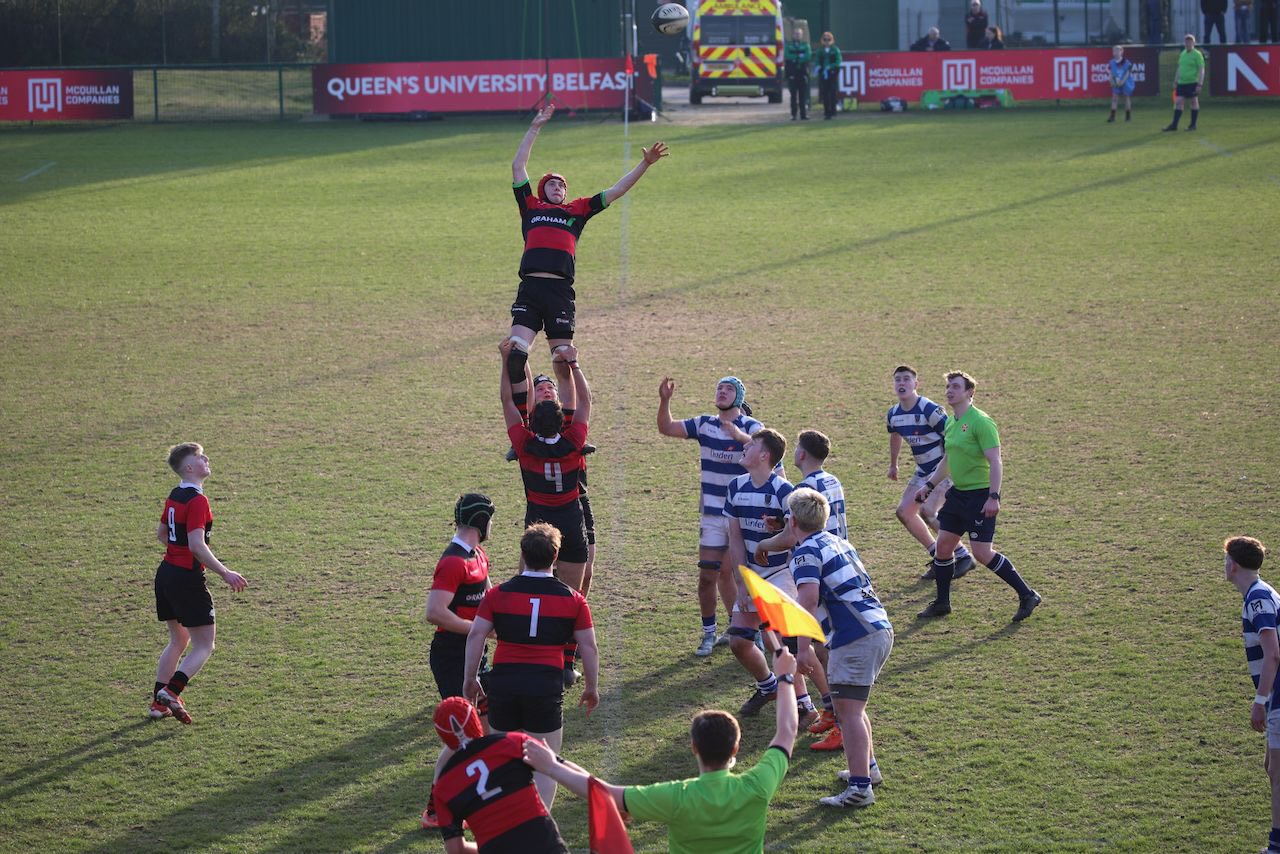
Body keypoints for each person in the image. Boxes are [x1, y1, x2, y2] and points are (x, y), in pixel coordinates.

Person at [521, 648, 800, 854]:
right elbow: (787, 729)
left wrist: (552, 765)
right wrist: (785, 676)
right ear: (735, 748)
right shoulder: (756, 787)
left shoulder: (677, 797)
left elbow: (604, 793)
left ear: (694, 748)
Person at [505, 102, 667, 420]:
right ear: (542, 189)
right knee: (515, 355)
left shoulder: (577, 210)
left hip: (560, 293)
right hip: (531, 289)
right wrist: (535, 127)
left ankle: (570, 427)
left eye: (562, 185)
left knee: (563, 360)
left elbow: (617, 190)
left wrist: (645, 164)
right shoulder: (531, 207)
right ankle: (524, 424)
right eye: (552, 183)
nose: (558, 187)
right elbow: (517, 166)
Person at [463, 523, 599, 810]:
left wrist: (470, 678)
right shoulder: (574, 600)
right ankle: (540, 822)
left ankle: (508, 819)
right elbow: (589, 646)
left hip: (505, 685)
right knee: (546, 763)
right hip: (545, 687)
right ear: (556, 556)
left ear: (523, 554)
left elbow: (476, 635)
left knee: (504, 759)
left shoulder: (497, 595)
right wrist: (591, 686)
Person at [787, 488, 892, 808]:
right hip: (877, 628)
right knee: (853, 709)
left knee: (849, 714)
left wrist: (802, 648)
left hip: (854, 636)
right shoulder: (837, 541)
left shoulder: (805, 553)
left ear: (793, 521)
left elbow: (807, 599)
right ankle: (867, 770)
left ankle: (860, 789)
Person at [657, 375, 772, 658]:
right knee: (708, 576)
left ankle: (750, 631)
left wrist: (739, 437)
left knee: (742, 575)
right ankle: (709, 633)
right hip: (711, 515)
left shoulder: (752, 427)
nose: (722, 392)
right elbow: (666, 427)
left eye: (729, 389)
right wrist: (664, 401)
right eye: (719, 388)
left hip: (742, 515)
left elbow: (766, 451)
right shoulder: (704, 424)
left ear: (739, 397)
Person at [914, 371, 1041, 622]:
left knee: (982, 553)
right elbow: (948, 459)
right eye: (948, 386)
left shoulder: (981, 422)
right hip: (958, 495)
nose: (949, 390)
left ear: (969, 392)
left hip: (980, 497)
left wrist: (994, 496)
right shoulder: (951, 423)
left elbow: (996, 461)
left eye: (955, 386)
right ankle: (942, 603)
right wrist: (929, 485)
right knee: (943, 547)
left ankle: (1027, 595)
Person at [499, 339, 591, 685]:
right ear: (562, 421)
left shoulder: (523, 445)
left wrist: (506, 362)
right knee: (571, 599)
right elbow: (586, 402)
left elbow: (508, 401)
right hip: (571, 524)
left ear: (531, 422)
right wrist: (575, 364)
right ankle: (565, 665)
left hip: (537, 528)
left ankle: (521, 655)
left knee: (526, 593)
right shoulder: (575, 441)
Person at [751, 429, 847, 749]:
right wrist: (783, 523)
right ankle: (832, 712)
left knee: (819, 649)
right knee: (820, 646)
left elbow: (794, 537)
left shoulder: (802, 490)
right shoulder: (832, 481)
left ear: (801, 454)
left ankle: (839, 718)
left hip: (818, 572)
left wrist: (765, 543)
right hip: (837, 563)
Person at [723, 429, 818, 725]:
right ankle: (768, 687)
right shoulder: (736, 487)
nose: (745, 447)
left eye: (751, 444)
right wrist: (741, 582)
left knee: (776, 641)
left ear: (764, 455)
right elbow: (735, 538)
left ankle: (805, 706)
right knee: (739, 641)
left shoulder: (784, 491)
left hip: (780, 573)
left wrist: (772, 536)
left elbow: (794, 535)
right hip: (751, 575)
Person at [149, 442, 248, 724]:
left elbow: (162, 534)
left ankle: (158, 705)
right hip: (186, 579)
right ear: (190, 467)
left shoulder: (176, 494)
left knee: (179, 640)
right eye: (201, 457)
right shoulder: (197, 501)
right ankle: (171, 691)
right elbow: (196, 545)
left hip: (166, 574)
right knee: (205, 645)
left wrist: (178, 553)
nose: (207, 459)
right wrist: (225, 572)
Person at [421, 493, 496, 829]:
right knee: (463, 736)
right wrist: (479, 630)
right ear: (482, 521)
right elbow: (435, 612)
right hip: (452, 656)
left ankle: (481, 794)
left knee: (488, 727)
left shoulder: (478, 554)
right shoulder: (454, 562)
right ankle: (435, 810)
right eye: (490, 520)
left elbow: (491, 599)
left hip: (475, 654)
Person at [430, 696, 569, 854]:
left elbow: (456, 850)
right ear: (475, 720)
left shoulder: (443, 787)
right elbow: (568, 771)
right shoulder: (511, 743)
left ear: (443, 737)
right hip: (544, 844)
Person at [512, 370, 598, 597]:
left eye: (550, 388)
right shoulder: (529, 428)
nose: (546, 391)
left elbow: (569, 388)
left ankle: (578, 610)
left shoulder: (566, 421)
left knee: (586, 572)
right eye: (540, 389)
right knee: (533, 574)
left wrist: (565, 363)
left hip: (577, 504)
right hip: (542, 510)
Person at [885, 365, 974, 581]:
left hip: (944, 469)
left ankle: (962, 556)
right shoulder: (893, 414)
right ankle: (939, 556)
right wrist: (893, 465)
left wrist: (955, 468)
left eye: (906, 379)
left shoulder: (929, 410)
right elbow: (895, 435)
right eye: (898, 379)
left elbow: (952, 436)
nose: (902, 383)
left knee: (928, 511)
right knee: (904, 512)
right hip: (923, 470)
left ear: (916, 384)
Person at [1222, 536, 1280, 854]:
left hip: (1278, 698)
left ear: (1233, 565)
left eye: (1225, 559)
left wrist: (1260, 701)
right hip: (1276, 699)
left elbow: (1273, 654)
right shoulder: (1260, 594)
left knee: (1278, 774)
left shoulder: (1258, 599)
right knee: (1272, 768)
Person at [1163, 34, 1206, 132]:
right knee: (1178, 102)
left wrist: (1200, 84)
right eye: (1187, 42)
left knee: (1193, 102)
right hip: (1182, 83)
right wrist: (1176, 80)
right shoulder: (1183, 54)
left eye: (1190, 42)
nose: (1188, 43)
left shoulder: (1197, 54)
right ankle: (1174, 125)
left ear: (1194, 43)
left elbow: (1201, 69)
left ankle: (1193, 125)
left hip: (1192, 82)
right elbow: (1179, 68)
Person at [784, 26, 812, 120]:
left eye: (799, 34)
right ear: (793, 35)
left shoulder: (805, 45)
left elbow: (807, 56)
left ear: (802, 35)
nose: (797, 35)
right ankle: (793, 115)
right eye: (796, 34)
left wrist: (796, 58)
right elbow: (787, 55)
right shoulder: (789, 45)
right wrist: (798, 56)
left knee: (802, 95)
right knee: (793, 96)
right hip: (792, 73)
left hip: (802, 72)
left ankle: (803, 114)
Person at [814, 32, 843, 120]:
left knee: (833, 92)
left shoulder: (835, 50)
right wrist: (818, 66)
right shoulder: (820, 51)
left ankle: (833, 110)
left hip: (832, 73)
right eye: (825, 39)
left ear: (832, 40)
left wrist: (830, 66)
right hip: (823, 73)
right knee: (825, 93)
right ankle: (827, 111)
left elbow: (838, 61)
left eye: (829, 39)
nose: (827, 41)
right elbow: (817, 60)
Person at [1108, 45, 1136, 123]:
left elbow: (1127, 74)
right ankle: (1112, 117)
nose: (1116, 53)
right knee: (1114, 97)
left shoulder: (1127, 62)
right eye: (1114, 51)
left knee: (1126, 98)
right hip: (1116, 81)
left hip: (1125, 82)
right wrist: (1111, 81)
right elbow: (1111, 73)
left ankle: (1128, 117)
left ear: (1121, 52)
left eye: (1118, 51)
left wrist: (1122, 82)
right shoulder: (1111, 62)